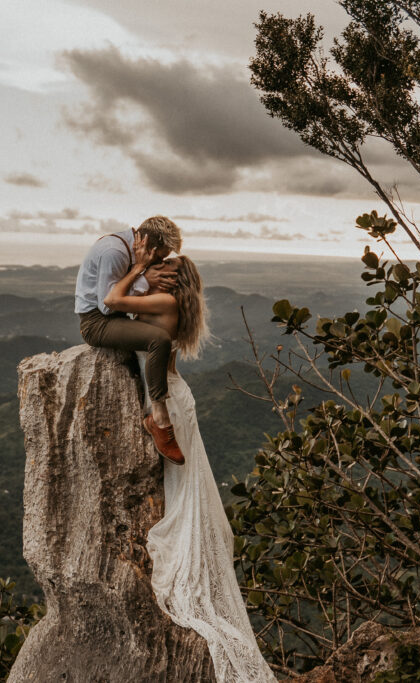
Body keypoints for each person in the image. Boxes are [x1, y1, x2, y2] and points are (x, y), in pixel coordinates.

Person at [103, 249, 278, 683]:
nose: (156, 273)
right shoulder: (178, 302)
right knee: (185, 491)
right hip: (178, 396)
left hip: (171, 403)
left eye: (165, 269)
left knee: (184, 495)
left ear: (174, 281)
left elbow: (113, 301)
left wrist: (137, 269)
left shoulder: (163, 302)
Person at [75, 216, 185, 462]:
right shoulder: (114, 252)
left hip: (116, 315)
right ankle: (159, 418)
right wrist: (142, 276)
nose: (159, 263)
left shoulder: (129, 249)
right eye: (159, 257)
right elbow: (107, 307)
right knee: (159, 339)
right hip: (97, 322)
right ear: (149, 247)